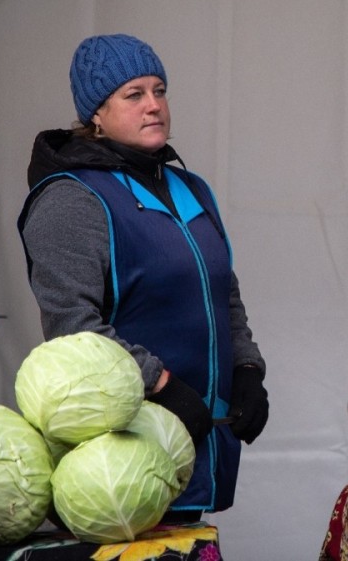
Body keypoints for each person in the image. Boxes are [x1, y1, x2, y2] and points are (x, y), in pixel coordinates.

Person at [17, 33, 268, 517]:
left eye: (160, 90)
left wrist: (247, 369)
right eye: (134, 95)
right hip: (124, 458)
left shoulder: (190, 188)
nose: (153, 106)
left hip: (201, 440)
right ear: (96, 113)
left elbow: (224, 292)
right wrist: (159, 384)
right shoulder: (71, 198)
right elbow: (72, 327)